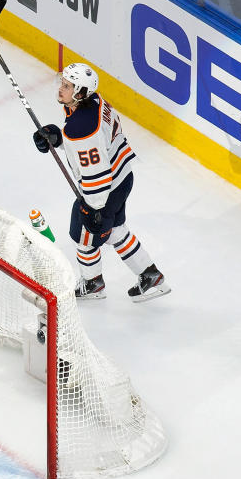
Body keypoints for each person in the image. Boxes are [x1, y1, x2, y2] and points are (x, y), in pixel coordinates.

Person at [32, 63, 170, 302]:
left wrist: (92, 207)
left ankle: (92, 283)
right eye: (63, 83)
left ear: (80, 93)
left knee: (84, 236)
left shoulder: (82, 128)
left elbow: (96, 170)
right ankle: (151, 275)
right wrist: (58, 138)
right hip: (122, 177)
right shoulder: (93, 102)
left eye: (67, 86)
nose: (61, 89)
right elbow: (97, 147)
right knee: (116, 230)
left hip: (104, 190)